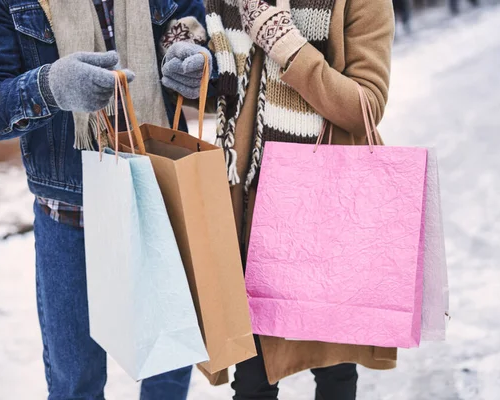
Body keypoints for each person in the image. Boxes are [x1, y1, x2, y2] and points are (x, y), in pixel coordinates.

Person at [0, 0, 210, 398]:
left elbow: (194, 28)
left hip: (160, 195)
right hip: (70, 216)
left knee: (169, 365)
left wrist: (194, 58)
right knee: (76, 383)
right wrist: (49, 87)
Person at [162, 0, 396, 398]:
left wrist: (288, 46)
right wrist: (194, 49)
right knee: (252, 380)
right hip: (248, 217)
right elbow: (227, 69)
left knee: (335, 373)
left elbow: (366, 106)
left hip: (323, 217)